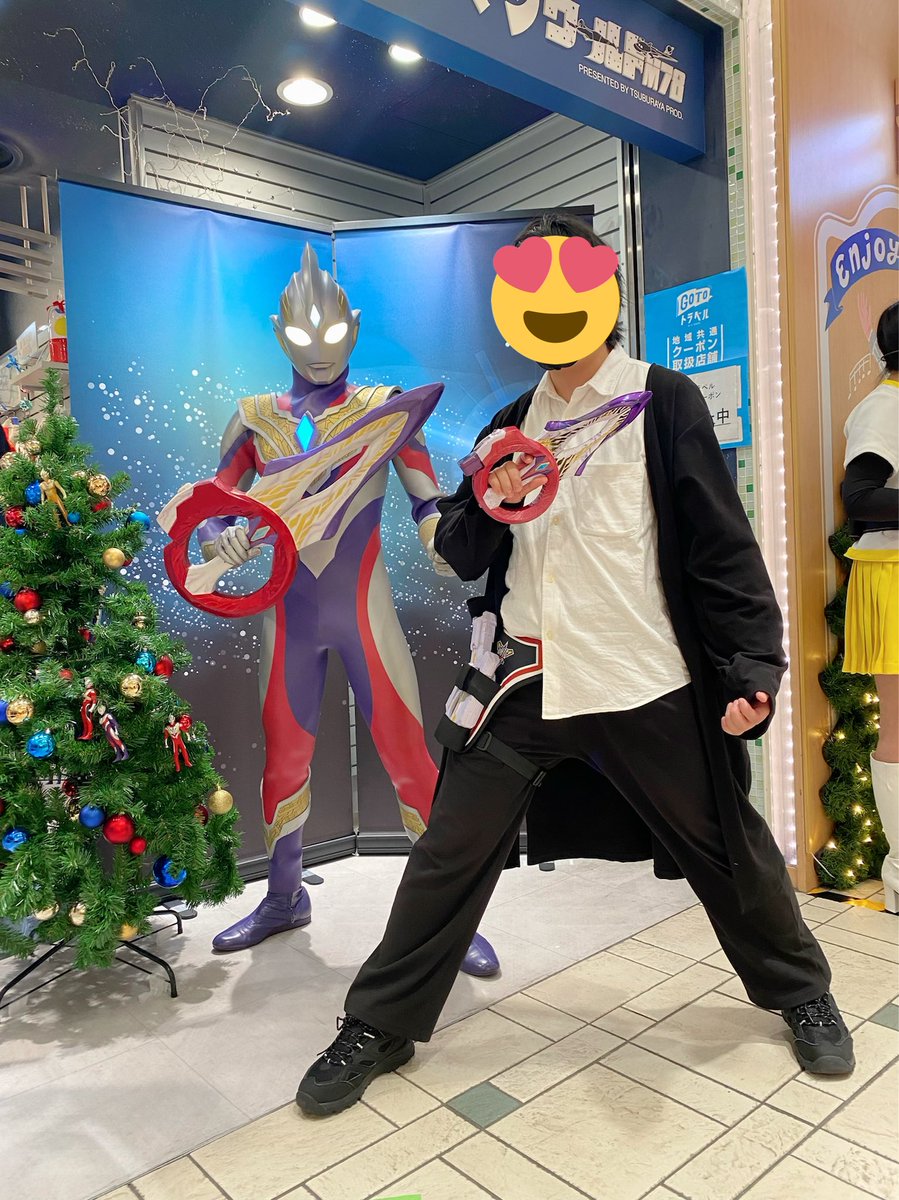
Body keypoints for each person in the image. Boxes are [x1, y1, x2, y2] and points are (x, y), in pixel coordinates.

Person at [295, 212, 854, 1117]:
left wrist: (752, 664)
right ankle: (379, 1023)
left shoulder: (661, 401)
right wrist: (488, 500)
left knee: (724, 843)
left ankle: (801, 993)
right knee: (448, 851)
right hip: (520, 682)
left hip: (640, 676)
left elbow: (720, 545)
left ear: (604, 297)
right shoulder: (508, 423)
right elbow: (464, 553)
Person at [197, 246, 498, 977]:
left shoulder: (386, 410)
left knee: (407, 754)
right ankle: (283, 897)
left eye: (333, 335)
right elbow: (211, 510)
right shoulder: (254, 418)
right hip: (289, 616)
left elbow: (427, 502)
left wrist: (445, 543)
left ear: (353, 329)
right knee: (284, 757)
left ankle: (446, 918)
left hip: (365, 612)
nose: (319, 350)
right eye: (304, 337)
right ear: (279, 335)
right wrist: (220, 538)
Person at [841, 300, 899, 912]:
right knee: (898, 724)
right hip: (891, 574)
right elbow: (860, 496)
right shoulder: (884, 407)